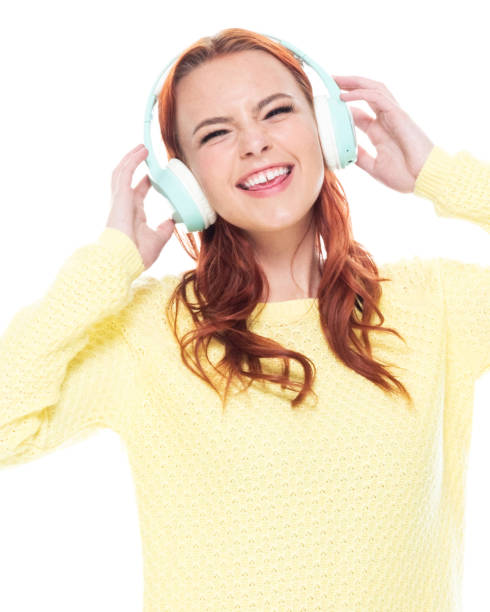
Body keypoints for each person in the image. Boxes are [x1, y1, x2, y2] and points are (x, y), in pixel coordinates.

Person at [1, 27, 488, 612]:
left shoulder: (435, 303)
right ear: (184, 181)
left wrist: (445, 177)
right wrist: (104, 267)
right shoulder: (150, 333)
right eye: (216, 133)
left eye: (276, 111)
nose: (254, 144)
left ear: (327, 131)